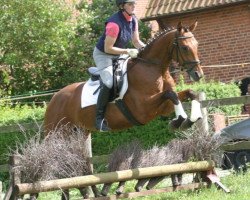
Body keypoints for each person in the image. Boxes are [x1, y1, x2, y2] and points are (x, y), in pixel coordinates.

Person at [93, 0, 145, 132]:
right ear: (122, 6)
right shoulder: (113, 24)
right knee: (109, 82)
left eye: (134, 4)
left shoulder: (133, 20)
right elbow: (108, 48)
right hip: (103, 55)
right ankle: (99, 119)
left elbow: (136, 41)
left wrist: (147, 48)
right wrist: (127, 51)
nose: (133, 6)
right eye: (130, 4)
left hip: (118, 53)